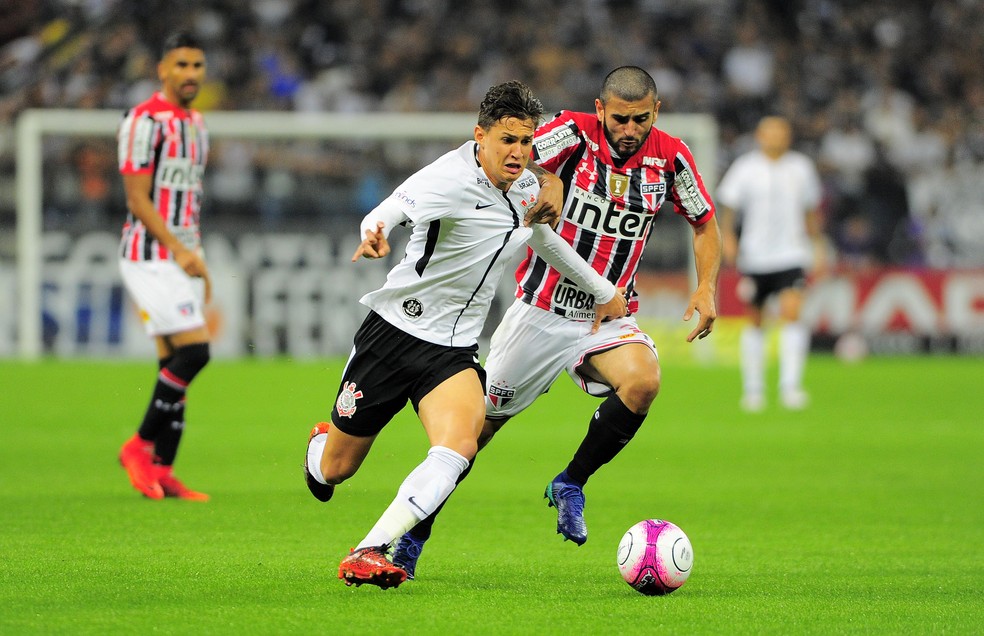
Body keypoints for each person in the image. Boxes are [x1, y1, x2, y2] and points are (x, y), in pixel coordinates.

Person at [389, 66, 721, 579]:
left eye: (639, 119)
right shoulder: (571, 129)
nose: (628, 129)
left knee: (643, 383)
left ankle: (570, 482)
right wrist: (549, 181)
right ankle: (411, 538)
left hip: (605, 318)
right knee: (473, 434)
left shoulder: (672, 157)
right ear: (601, 108)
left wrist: (705, 285)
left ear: (655, 112)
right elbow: (516, 160)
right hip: (539, 312)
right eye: (619, 118)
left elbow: (703, 223)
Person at [302, 80, 628, 589]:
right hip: (394, 335)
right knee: (336, 471)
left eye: (526, 141)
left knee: (460, 445)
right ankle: (319, 450)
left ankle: (370, 549)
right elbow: (391, 208)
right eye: (507, 140)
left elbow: (543, 240)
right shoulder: (446, 178)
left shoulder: (523, 187)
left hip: (452, 351)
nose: (518, 153)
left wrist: (602, 289)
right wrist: (375, 231)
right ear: (480, 136)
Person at [117, 32, 212, 501]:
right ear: (162, 69)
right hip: (149, 256)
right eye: (182, 65)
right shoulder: (144, 121)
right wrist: (177, 248)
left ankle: (163, 468)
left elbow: (188, 201)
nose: (191, 74)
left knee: (171, 365)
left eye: (197, 65)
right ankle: (138, 446)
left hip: (182, 252)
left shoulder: (196, 124)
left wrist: (197, 255)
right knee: (195, 353)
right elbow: (137, 199)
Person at [716, 115, 825, 412]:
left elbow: (810, 211)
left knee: (792, 313)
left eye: (781, 132)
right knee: (755, 320)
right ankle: (753, 390)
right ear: (760, 136)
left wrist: (817, 244)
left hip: (792, 253)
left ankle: (790, 387)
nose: (776, 137)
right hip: (755, 255)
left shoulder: (801, 168)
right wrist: (728, 237)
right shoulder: (745, 168)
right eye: (770, 132)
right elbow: (728, 205)